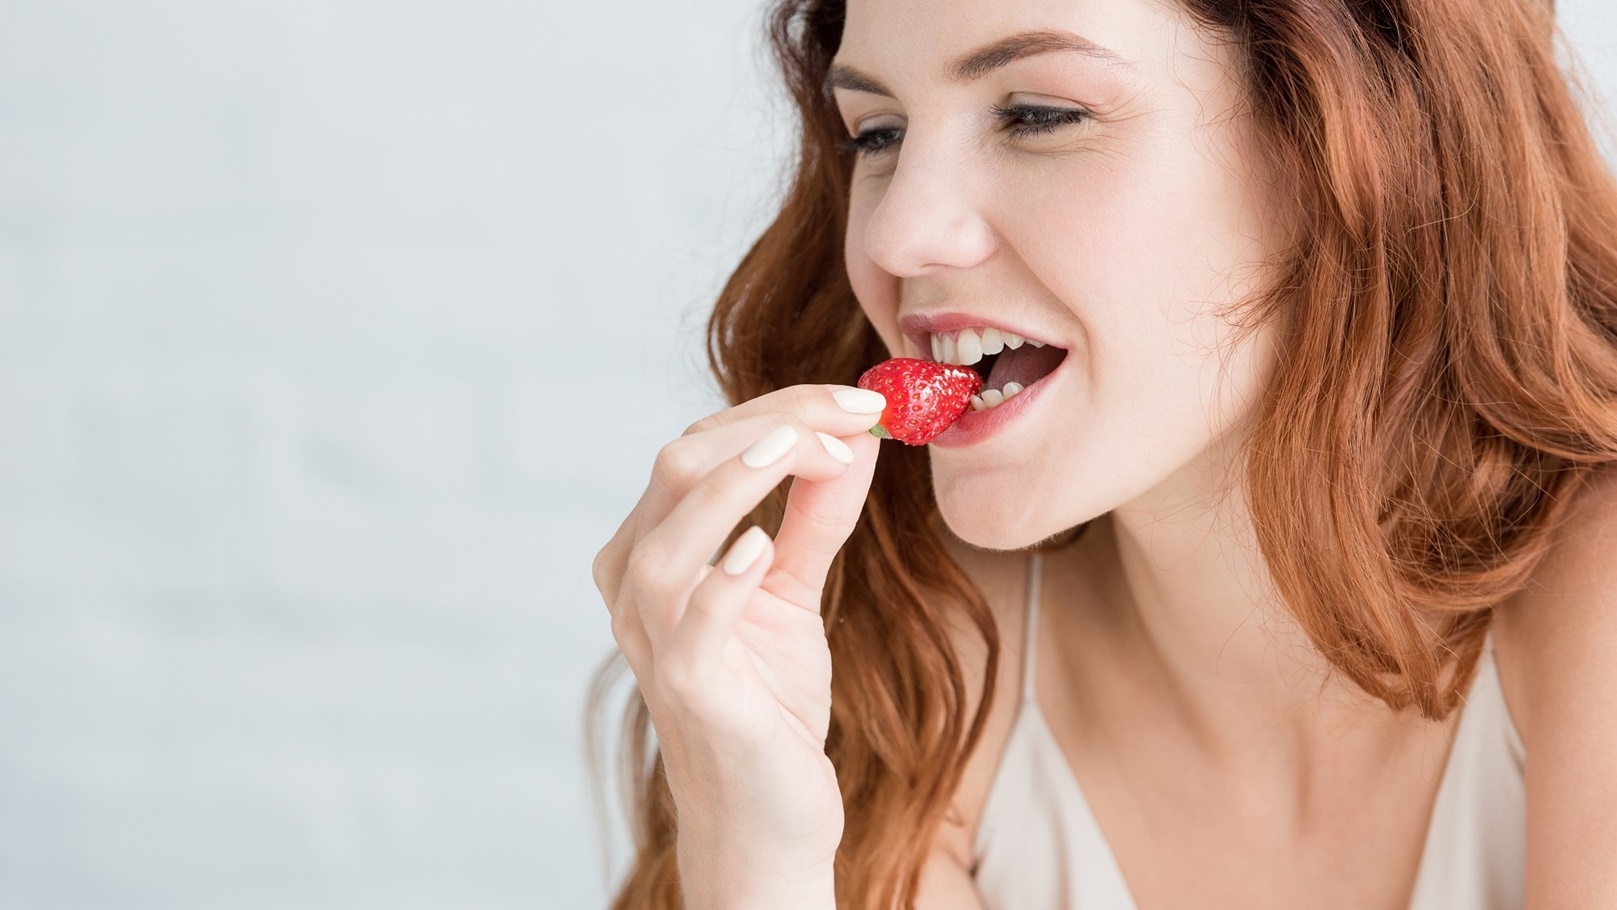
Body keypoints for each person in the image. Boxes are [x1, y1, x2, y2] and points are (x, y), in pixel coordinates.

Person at [589, 0, 1617, 906]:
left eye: (1038, 114)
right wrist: (759, 860)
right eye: (878, 133)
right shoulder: (913, 648)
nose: (899, 236)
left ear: (1351, 137)